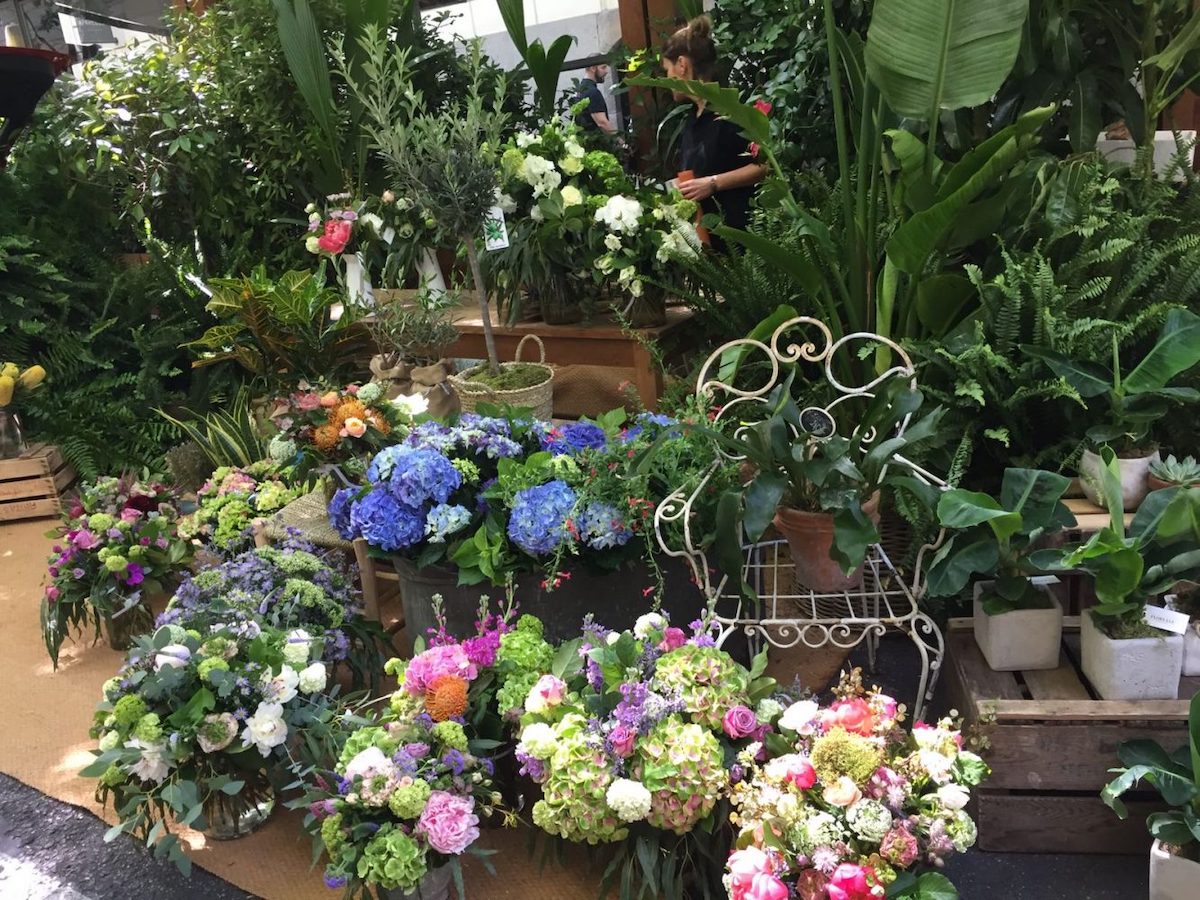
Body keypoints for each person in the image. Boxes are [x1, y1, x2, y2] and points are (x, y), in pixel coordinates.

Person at [661, 16, 766, 234]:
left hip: (740, 239)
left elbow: (764, 165)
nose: (666, 78)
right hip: (710, 239)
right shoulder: (694, 116)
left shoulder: (729, 111)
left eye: (666, 69)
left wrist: (713, 183)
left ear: (682, 65)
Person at [575, 62, 617, 135]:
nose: (606, 71)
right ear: (593, 68)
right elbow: (602, 123)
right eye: (603, 67)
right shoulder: (592, 92)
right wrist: (621, 142)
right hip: (596, 142)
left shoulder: (579, 89)